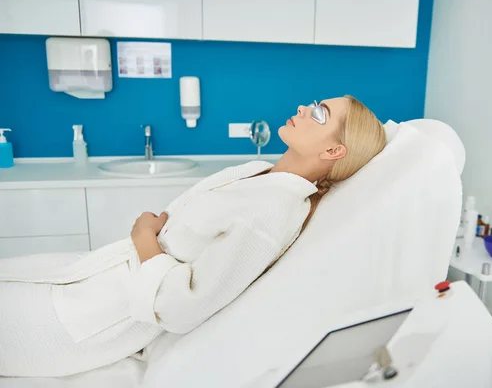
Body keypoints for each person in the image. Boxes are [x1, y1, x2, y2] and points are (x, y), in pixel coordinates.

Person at [0, 95, 387, 378]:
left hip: (87, 319)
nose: (305, 107)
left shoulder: (273, 212)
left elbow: (183, 308)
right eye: (315, 103)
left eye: (321, 113)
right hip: (91, 279)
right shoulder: (260, 173)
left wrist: (144, 238)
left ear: (334, 149)